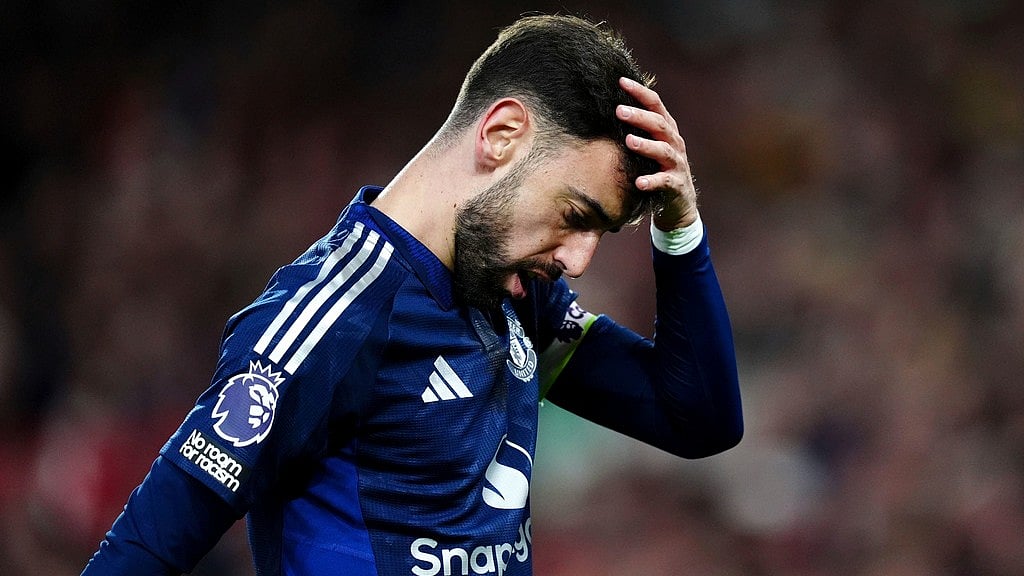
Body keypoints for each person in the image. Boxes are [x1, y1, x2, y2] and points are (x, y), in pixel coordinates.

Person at [82, 13, 743, 576]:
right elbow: (141, 551)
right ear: (501, 135)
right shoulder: (331, 316)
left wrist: (680, 229)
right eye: (575, 215)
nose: (576, 260)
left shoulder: (516, 297)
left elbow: (697, 419)